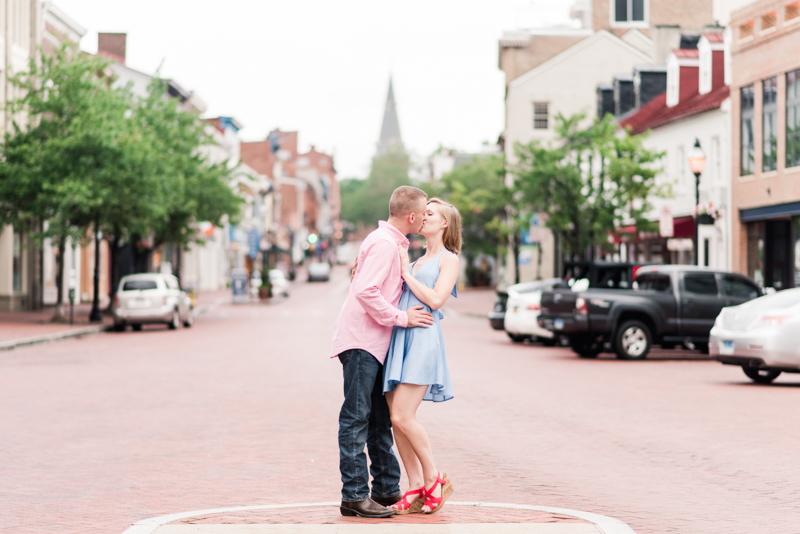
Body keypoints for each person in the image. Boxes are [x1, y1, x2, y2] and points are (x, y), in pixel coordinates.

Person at [330, 185, 435, 519]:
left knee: (377, 418)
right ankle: (355, 496)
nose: (424, 219)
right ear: (413, 216)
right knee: (357, 417)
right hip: (362, 341)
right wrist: (401, 318)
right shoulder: (385, 243)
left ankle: (386, 490)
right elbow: (365, 290)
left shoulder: (388, 243)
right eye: (423, 214)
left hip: (373, 343)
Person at [383, 198, 461, 515]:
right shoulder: (415, 261)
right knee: (395, 420)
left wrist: (405, 272)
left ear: (444, 223)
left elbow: (436, 299)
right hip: (400, 339)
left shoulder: (449, 259)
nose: (422, 217)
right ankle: (414, 485)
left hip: (423, 339)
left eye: (430, 213)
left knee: (403, 415)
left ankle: (433, 478)